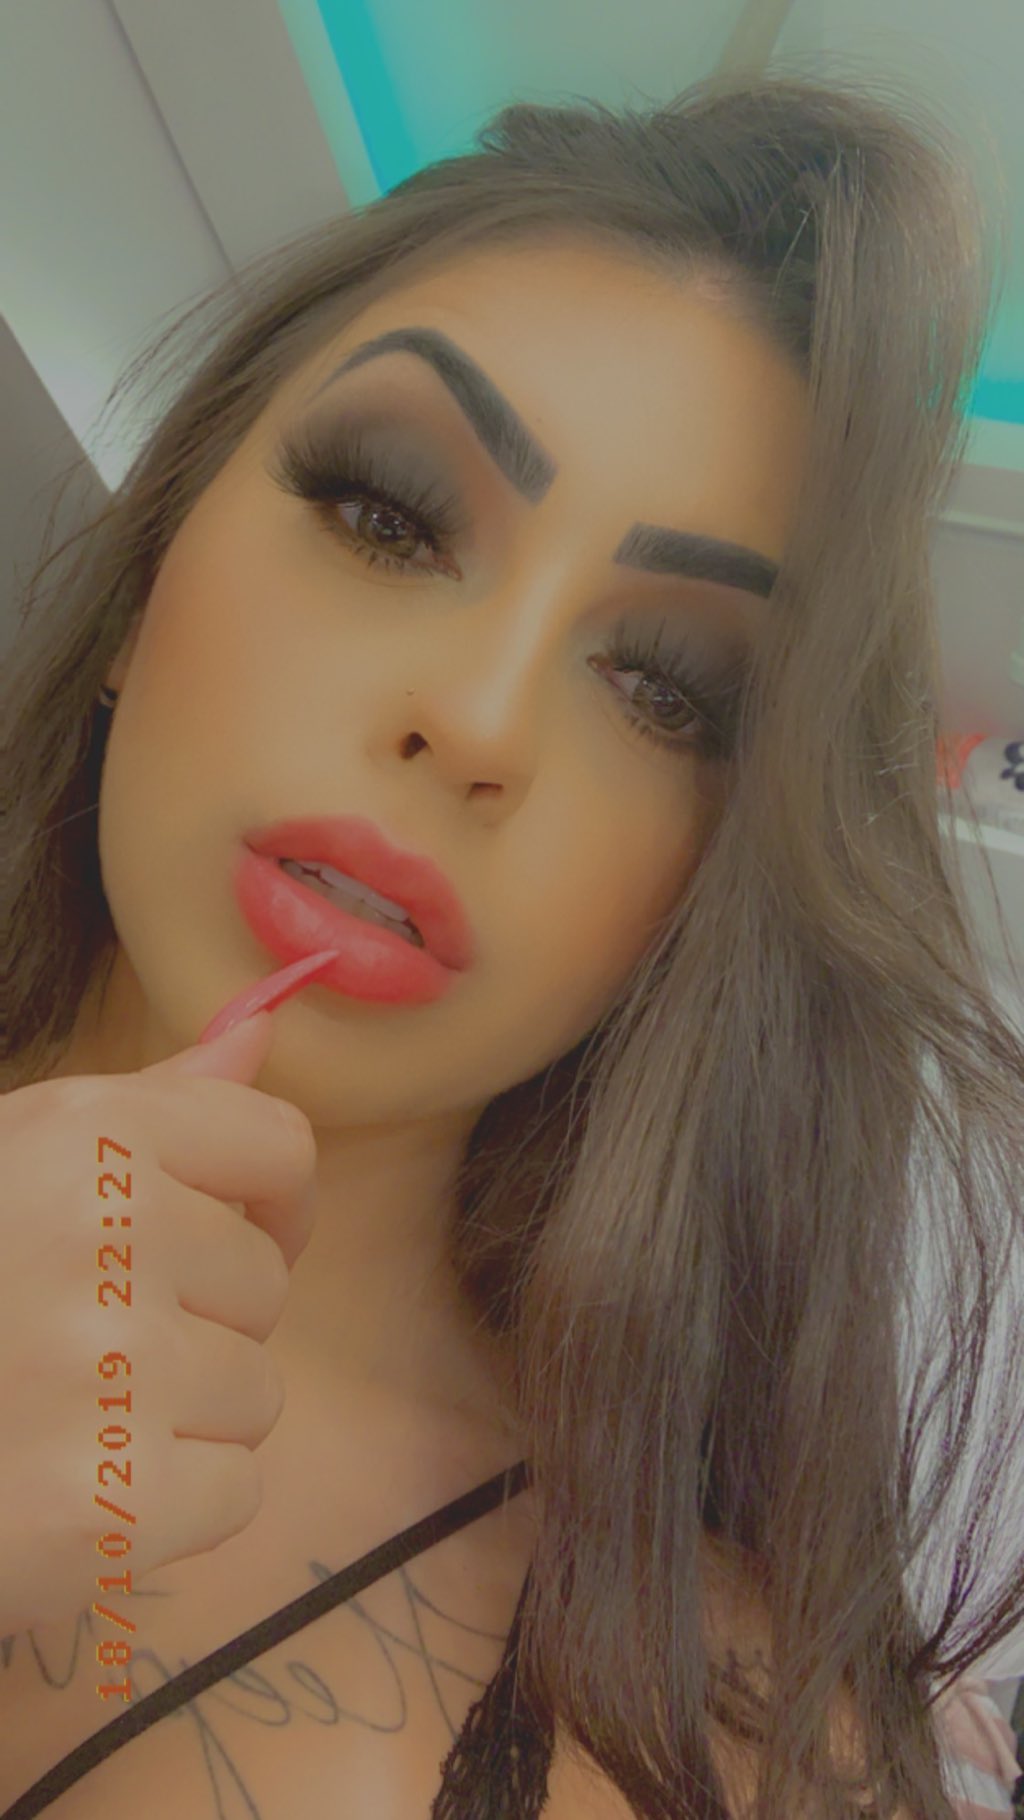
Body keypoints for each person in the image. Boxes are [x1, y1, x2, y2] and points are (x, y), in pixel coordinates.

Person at [3, 60, 1023, 1820]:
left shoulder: (732, 1729)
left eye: (665, 688)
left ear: (700, 897)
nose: (478, 721)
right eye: (387, 516)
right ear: (149, 563)